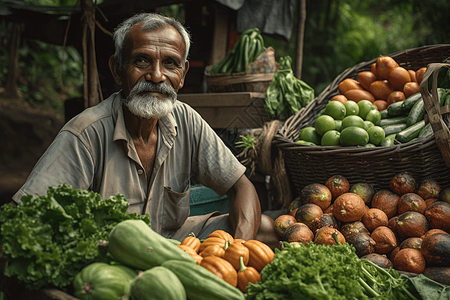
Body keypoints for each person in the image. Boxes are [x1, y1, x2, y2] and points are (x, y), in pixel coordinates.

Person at [12, 12, 279, 246]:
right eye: (142, 61)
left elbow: (241, 186)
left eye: (171, 64)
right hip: (111, 253)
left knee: (264, 230)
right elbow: (24, 215)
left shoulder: (185, 119)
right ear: (117, 69)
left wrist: (240, 249)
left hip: (172, 242)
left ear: (183, 74)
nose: (157, 76)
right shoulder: (86, 133)